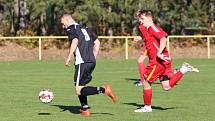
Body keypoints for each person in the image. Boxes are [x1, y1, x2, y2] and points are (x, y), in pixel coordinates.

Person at [134, 10, 199, 113]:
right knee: (166, 86)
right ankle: (183, 69)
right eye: (139, 19)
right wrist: (140, 40)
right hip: (164, 60)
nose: (140, 21)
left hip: (157, 60)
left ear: (150, 18)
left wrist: (159, 53)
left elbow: (163, 38)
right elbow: (148, 39)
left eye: (142, 19)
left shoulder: (152, 27)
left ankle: (147, 107)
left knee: (145, 82)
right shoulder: (143, 28)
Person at [61, 14, 117, 116]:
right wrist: (93, 57)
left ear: (67, 20)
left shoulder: (71, 28)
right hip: (91, 61)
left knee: (78, 89)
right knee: (82, 86)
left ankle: (103, 89)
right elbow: (97, 42)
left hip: (82, 62)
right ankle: (85, 109)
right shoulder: (84, 28)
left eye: (63, 23)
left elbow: (75, 40)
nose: (63, 26)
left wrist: (69, 56)